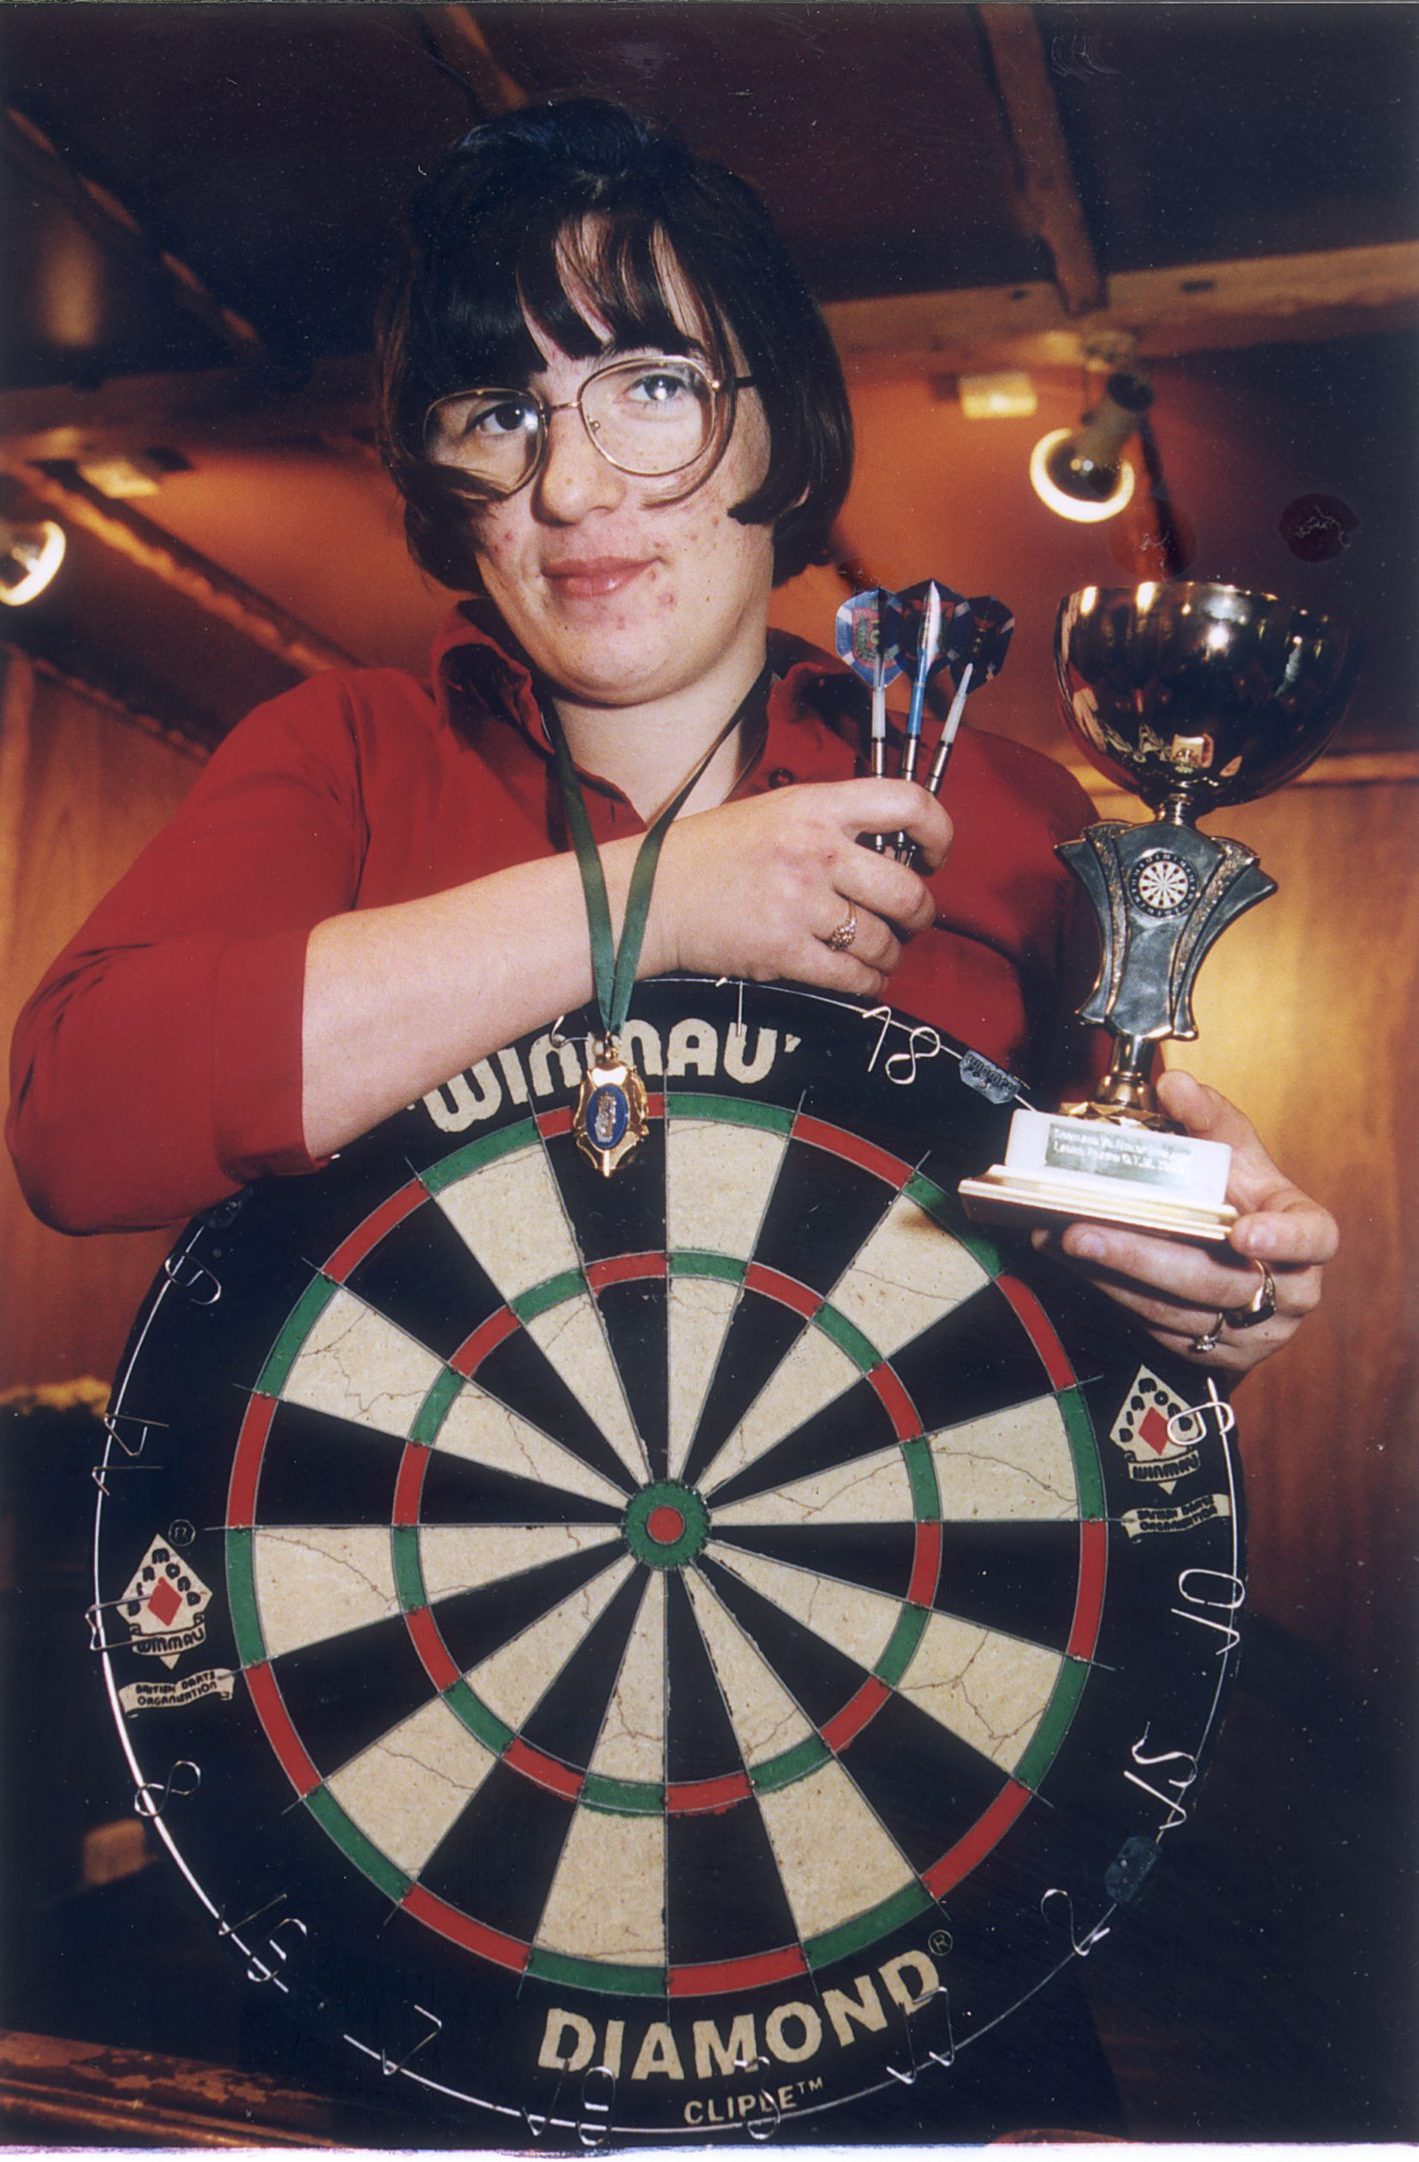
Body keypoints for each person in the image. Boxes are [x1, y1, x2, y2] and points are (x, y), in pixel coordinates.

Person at [6, 98, 1335, 2136]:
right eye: (493, 407)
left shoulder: (998, 816)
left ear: (778, 430)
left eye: (644, 384)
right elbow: (80, 1118)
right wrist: (637, 909)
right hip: (432, 1846)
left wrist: (1212, 1274)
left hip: (894, 1839)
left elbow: (1086, 1271)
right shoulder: (344, 749)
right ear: (440, 479)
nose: (575, 480)